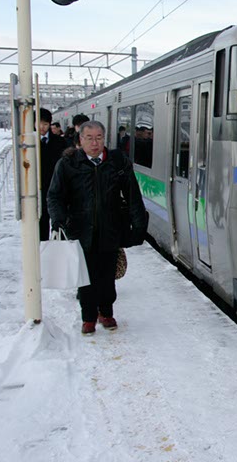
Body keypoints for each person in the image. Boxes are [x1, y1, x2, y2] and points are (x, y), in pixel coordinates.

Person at [48, 120, 148, 335]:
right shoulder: (67, 164)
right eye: (89, 138)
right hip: (80, 229)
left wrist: (139, 225)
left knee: (107, 274)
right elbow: (54, 196)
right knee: (86, 276)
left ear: (105, 139)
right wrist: (59, 219)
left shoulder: (117, 162)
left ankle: (106, 311)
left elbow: (133, 195)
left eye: (99, 138)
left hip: (110, 227)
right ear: (80, 140)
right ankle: (88, 317)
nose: (94, 143)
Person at [37, 108, 67, 241]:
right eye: (38, 123)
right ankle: (42, 249)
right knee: (41, 220)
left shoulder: (60, 142)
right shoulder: (29, 143)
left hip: (57, 186)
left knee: (59, 220)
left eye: (45, 124)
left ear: (50, 124)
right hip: (38, 188)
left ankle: (57, 250)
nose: (41, 127)